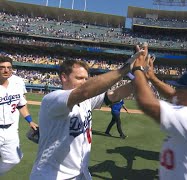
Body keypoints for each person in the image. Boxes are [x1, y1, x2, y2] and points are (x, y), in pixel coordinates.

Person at [30, 49, 141, 180]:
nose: (84, 82)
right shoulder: (53, 99)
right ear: (64, 77)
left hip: (80, 173)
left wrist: (141, 77)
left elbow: (115, 95)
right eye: (79, 78)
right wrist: (125, 69)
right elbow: (85, 91)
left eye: (86, 79)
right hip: (52, 175)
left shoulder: (86, 100)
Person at [132, 45, 187, 180]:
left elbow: (146, 103)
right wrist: (153, 78)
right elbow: (172, 95)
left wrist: (138, 69)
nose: (176, 93)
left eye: (181, 90)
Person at [0, 56, 38, 175]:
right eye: (2, 68)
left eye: (9, 68)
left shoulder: (16, 84)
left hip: (11, 129)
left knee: (14, 159)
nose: (6, 70)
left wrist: (30, 121)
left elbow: (21, 105)